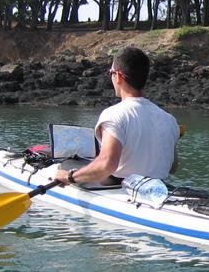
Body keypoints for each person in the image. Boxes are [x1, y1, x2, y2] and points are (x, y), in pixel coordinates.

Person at [56, 47, 179, 186]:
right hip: (158, 190)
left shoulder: (114, 115)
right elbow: (172, 167)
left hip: (121, 191)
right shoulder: (169, 119)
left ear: (118, 76)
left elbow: (106, 165)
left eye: (111, 73)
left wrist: (69, 177)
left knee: (66, 167)